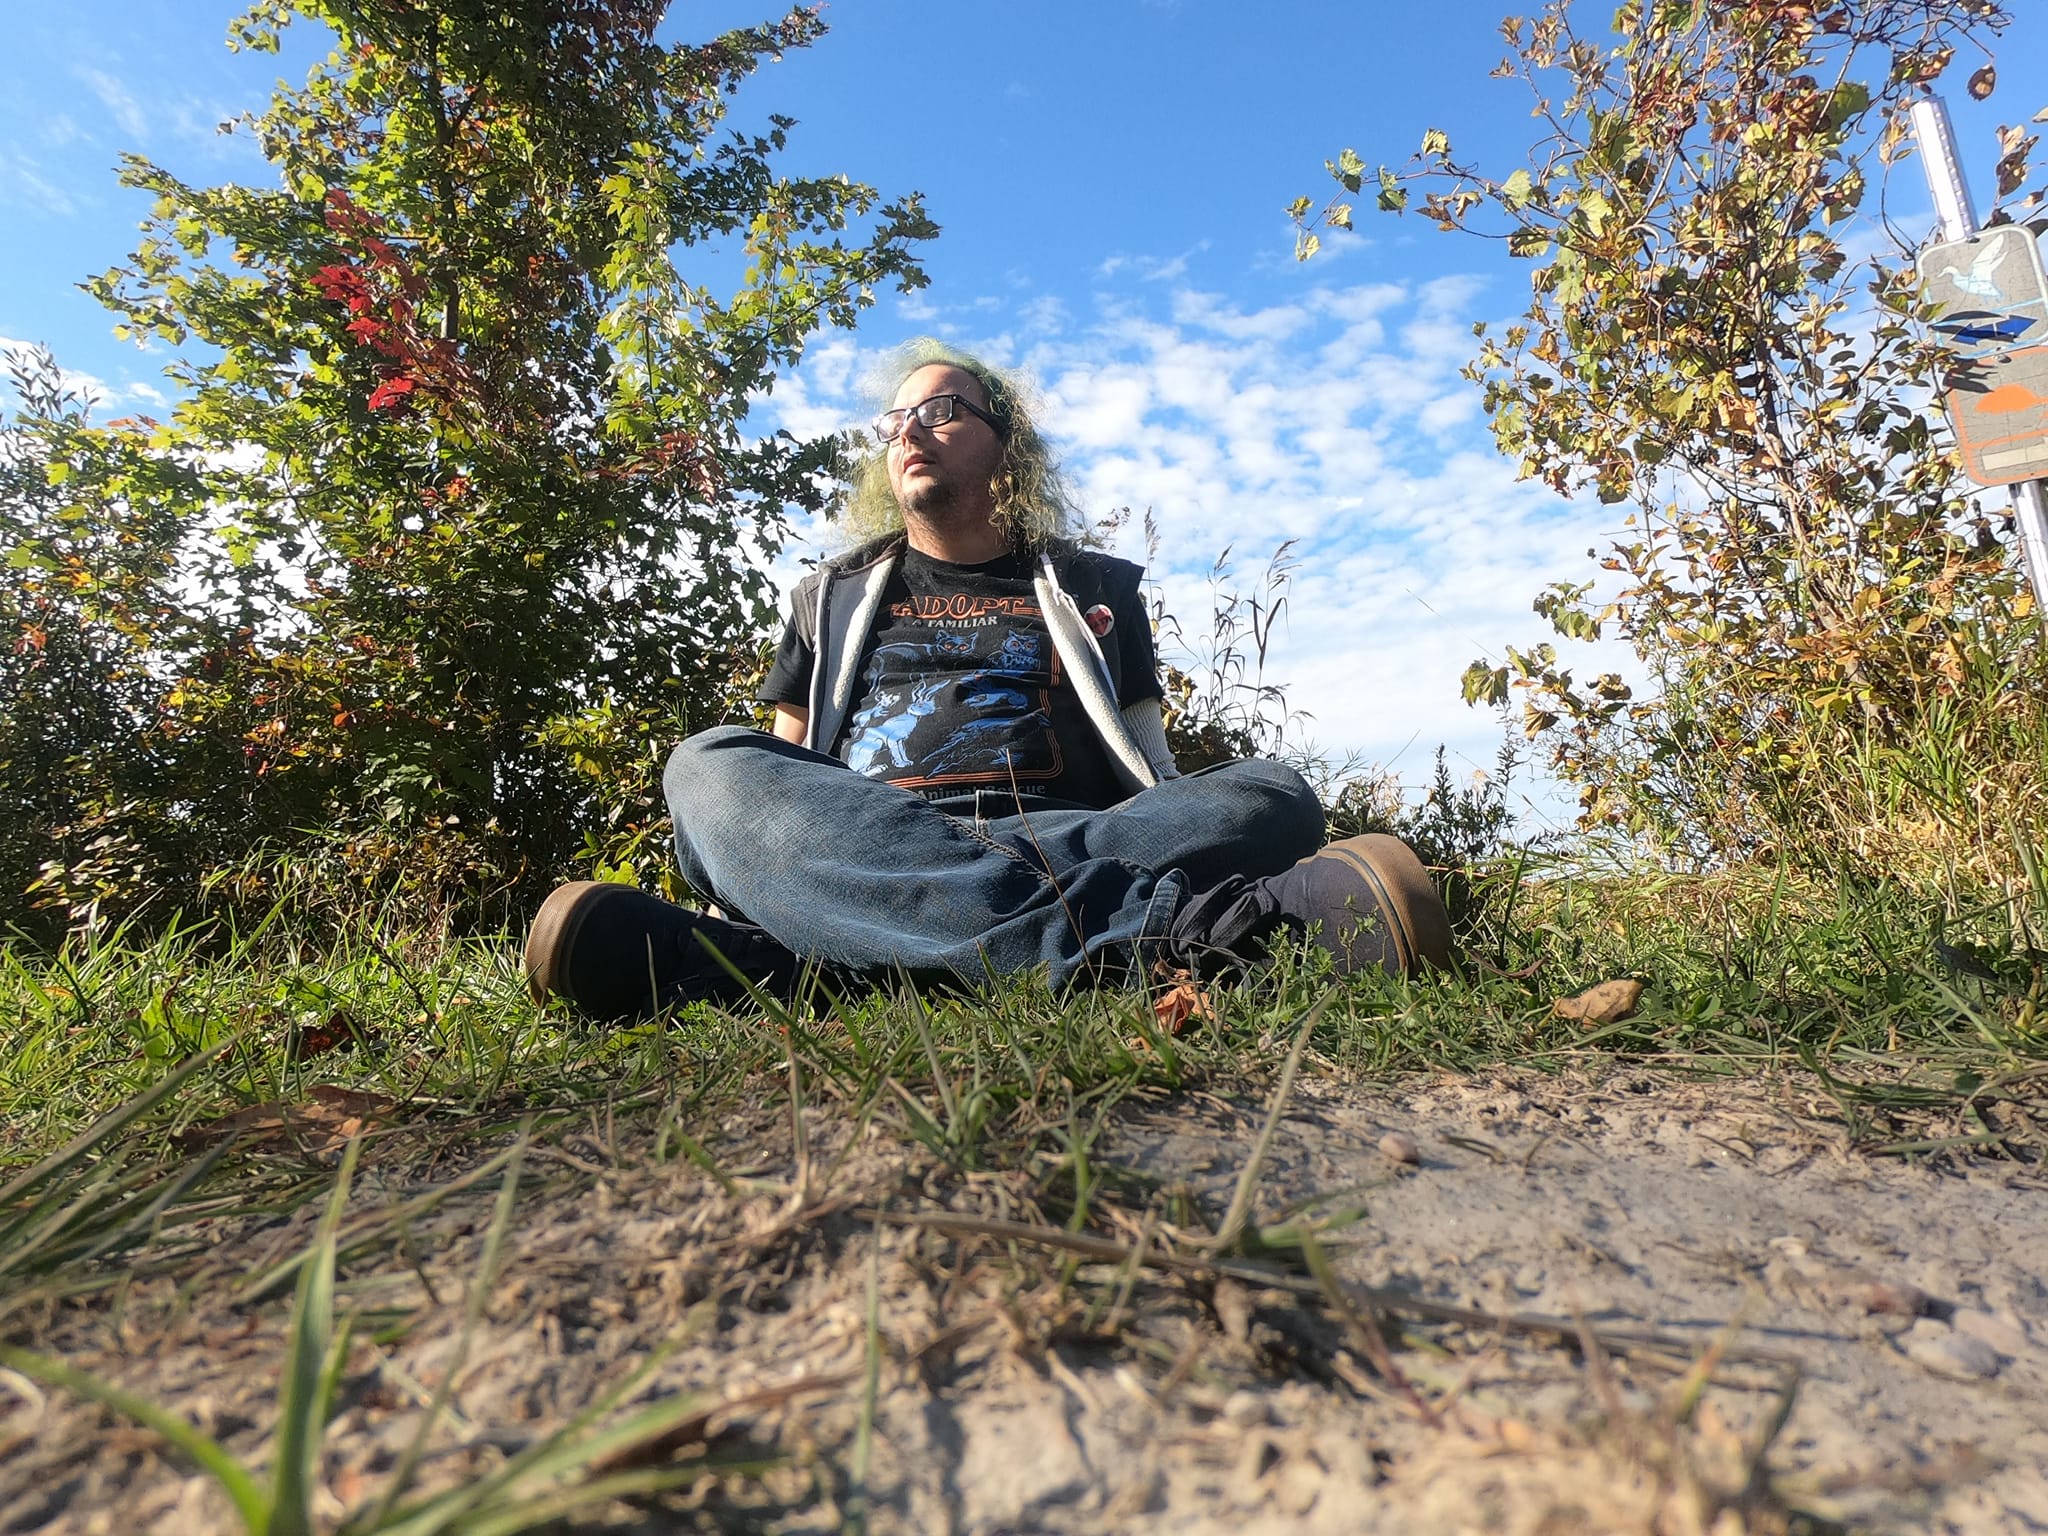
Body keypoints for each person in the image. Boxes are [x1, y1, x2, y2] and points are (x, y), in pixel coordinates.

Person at [523, 341, 1451, 1018]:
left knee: (1271, 794)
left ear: (1004, 444)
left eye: (942, 411)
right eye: (897, 421)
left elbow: (1149, 756)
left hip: (1066, 834)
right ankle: (1194, 937)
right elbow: (785, 768)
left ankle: (791, 964)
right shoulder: (828, 597)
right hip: (869, 834)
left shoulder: (1092, 586)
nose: (910, 432)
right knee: (708, 766)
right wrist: (777, 856)